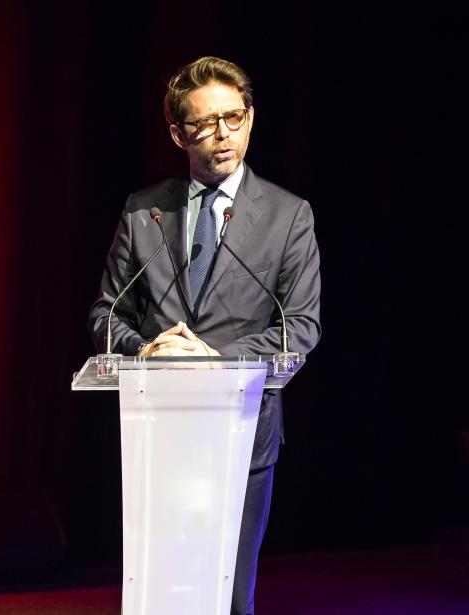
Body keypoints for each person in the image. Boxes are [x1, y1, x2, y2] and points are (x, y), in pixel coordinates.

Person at [88, 55, 321, 615]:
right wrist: (144, 351)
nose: (221, 136)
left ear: (251, 119)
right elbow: (105, 314)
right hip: (158, 432)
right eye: (202, 124)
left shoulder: (288, 216)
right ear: (177, 133)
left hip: (242, 431)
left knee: (229, 595)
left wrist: (215, 359)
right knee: (161, 595)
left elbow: (300, 330)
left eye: (233, 118)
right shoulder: (146, 212)